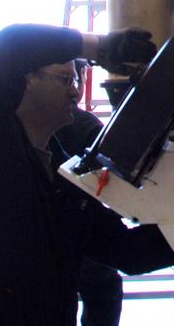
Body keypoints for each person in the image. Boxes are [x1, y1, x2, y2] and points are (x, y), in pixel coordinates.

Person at [0, 24, 174, 326]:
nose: (75, 90)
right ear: (27, 79)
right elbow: (11, 43)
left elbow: (128, 252)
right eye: (65, 79)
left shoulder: (62, 174)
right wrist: (100, 47)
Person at [50, 61, 124, 326]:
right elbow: (111, 186)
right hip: (78, 241)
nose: (73, 90)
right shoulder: (87, 125)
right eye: (66, 80)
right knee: (105, 288)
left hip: (50, 242)